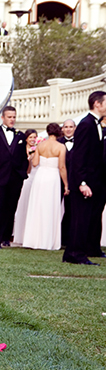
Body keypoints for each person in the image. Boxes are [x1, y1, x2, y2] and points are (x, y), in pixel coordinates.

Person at [63, 91, 106, 264]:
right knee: (80, 219)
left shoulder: (96, 124)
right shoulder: (86, 124)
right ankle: (74, 254)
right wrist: (82, 182)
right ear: (97, 104)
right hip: (84, 181)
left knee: (90, 217)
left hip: (96, 181)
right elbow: (78, 156)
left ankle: (86, 250)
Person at [0, 106, 28, 248]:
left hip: (15, 179)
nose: (12, 119)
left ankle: (6, 237)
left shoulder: (20, 136)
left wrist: (21, 174)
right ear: (3, 118)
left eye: (14, 117)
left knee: (11, 208)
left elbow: (23, 158)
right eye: (9, 117)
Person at [23, 123, 69, 250]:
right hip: (52, 177)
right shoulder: (61, 147)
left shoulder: (40, 145)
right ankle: (47, 241)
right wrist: (66, 184)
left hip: (40, 176)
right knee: (50, 207)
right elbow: (62, 167)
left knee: (37, 206)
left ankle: (33, 240)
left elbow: (36, 163)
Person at [12, 129, 39, 245]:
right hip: (26, 179)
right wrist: (29, 160)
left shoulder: (39, 150)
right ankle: (21, 234)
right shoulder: (22, 150)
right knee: (23, 205)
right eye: (31, 137)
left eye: (35, 137)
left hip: (36, 179)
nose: (33, 140)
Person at [58, 119, 76, 244]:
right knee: (54, 208)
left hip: (75, 181)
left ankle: (66, 238)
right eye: (66, 127)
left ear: (75, 128)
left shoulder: (81, 142)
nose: (68, 129)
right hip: (57, 181)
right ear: (62, 129)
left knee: (71, 210)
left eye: (71, 126)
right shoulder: (57, 143)